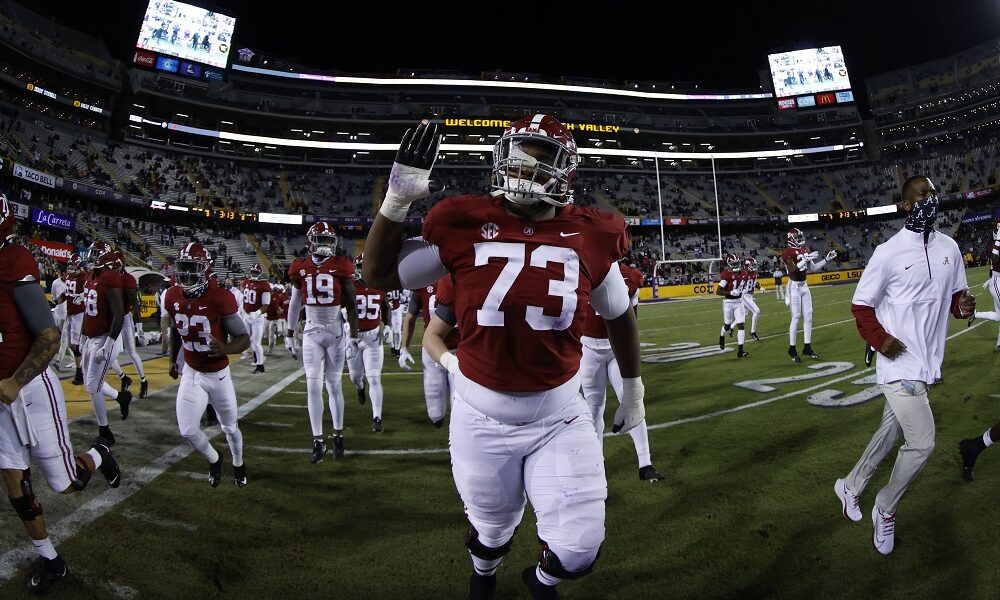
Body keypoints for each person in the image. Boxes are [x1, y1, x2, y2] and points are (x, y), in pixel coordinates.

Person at [363, 116, 644, 600]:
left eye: (539, 156)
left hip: (560, 413)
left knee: (579, 548)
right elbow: (379, 273)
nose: (523, 166)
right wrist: (397, 199)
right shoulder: (465, 221)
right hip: (480, 414)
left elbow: (619, 314)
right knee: (491, 533)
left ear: (566, 171)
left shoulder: (591, 233)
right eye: (517, 152)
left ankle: (539, 580)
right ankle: (484, 575)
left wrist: (634, 389)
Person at [834, 175, 974, 555]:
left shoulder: (949, 247)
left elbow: (955, 298)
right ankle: (886, 506)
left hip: (926, 364)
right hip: (897, 365)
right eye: (922, 195)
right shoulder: (888, 252)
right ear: (908, 206)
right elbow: (861, 307)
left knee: (891, 433)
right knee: (923, 441)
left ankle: (850, 485)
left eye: (933, 192)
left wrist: (961, 308)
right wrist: (880, 341)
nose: (931, 198)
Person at [0, 196, 120, 593]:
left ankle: (100, 453)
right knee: (15, 481)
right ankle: (52, 560)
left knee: (66, 484)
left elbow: (49, 337)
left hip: (29, 388)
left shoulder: (14, 261)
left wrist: (15, 381)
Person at [166, 243, 250, 488]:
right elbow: (175, 328)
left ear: (204, 270)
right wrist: (174, 358)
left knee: (230, 427)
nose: (185, 274)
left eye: (191, 268)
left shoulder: (219, 298)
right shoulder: (172, 295)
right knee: (188, 430)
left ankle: (238, 463)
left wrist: (225, 349)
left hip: (218, 376)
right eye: (182, 267)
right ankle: (215, 459)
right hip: (192, 373)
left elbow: (243, 338)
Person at [579, 262, 663, 481]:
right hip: (588, 348)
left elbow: (631, 319)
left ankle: (645, 463)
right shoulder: (580, 265)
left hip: (616, 349)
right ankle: (596, 459)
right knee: (594, 407)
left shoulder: (631, 276)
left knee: (632, 403)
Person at [286, 223, 359, 464]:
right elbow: (295, 303)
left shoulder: (341, 266)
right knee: (312, 385)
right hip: (311, 332)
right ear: (311, 241)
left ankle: (338, 435)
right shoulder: (300, 267)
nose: (326, 245)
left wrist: (355, 335)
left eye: (329, 241)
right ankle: (317, 440)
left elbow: (351, 304)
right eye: (322, 240)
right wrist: (288, 332)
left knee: (334, 385)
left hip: (336, 332)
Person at [80, 240, 133, 445]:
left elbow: (119, 314)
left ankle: (105, 431)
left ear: (104, 256)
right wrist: (82, 337)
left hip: (104, 338)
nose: (90, 256)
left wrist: (109, 343)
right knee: (91, 384)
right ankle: (121, 397)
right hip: (91, 338)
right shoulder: (89, 276)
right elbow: (88, 312)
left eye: (95, 253)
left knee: (93, 386)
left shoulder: (110, 278)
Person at [399, 276, 460, 427]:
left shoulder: (461, 278)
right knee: (435, 413)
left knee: (460, 405)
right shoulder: (423, 284)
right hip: (432, 350)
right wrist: (404, 348)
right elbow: (410, 317)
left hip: (460, 350)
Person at [346, 254, 390, 432]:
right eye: (360, 266)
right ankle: (360, 387)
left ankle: (377, 417)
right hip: (353, 338)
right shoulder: (349, 287)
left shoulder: (379, 286)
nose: (362, 270)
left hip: (373, 338)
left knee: (374, 377)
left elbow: (386, 307)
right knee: (355, 377)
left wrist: (387, 325)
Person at [781, 227, 837, 362]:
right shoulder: (787, 252)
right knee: (796, 317)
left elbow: (813, 268)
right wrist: (804, 260)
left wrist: (826, 260)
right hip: (794, 286)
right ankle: (792, 349)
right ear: (791, 239)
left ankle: (807, 347)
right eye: (798, 237)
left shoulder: (804, 249)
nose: (801, 240)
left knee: (809, 316)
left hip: (804, 286)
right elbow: (792, 270)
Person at [967, 219, 1000, 349]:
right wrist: (999, 240)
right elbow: (994, 259)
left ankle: (976, 314)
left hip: (995, 280)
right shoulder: (993, 245)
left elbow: (992, 267)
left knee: (998, 316)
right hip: (998, 282)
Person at [716, 253, 749, 358]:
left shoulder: (744, 273)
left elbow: (744, 284)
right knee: (727, 325)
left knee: (741, 325)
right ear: (729, 265)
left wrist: (744, 291)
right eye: (733, 264)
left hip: (739, 302)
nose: (736, 266)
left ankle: (741, 350)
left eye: (737, 263)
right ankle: (722, 336)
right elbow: (718, 291)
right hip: (728, 303)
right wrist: (730, 292)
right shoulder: (726, 274)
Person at [241, 264, 271, 374]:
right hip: (247, 315)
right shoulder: (246, 282)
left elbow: (266, 304)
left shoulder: (264, 285)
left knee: (256, 342)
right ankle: (255, 357)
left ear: (260, 273)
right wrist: (244, 310)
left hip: (257, 318)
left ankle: (260, 365)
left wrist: (257, 312)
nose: (254, 275)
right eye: (252, 272)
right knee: (245, 339)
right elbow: (245, 299)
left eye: (256, 273)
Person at [742, 257, 762, 342]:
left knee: (743, 316)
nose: (754, 267)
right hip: (744, 296)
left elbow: (753, 283)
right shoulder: (744, 274)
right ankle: (753, 331)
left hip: (749, 295)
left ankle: (729, 327)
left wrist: (760, 287)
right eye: (752, 265)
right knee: (757, 311)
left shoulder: (754, 273)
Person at [385, 288, 405, 356]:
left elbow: (403, 297)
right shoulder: (382, 284)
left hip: (396, 311)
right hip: (387, 312)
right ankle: (392, 348)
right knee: (388, 332)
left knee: (397, 332)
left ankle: (397, 349)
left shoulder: (398, 285)